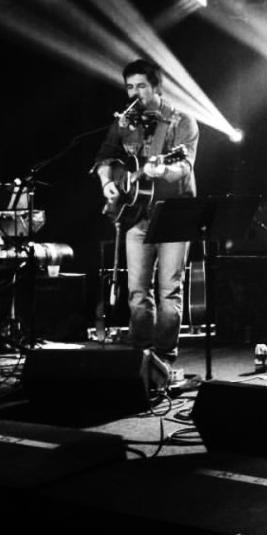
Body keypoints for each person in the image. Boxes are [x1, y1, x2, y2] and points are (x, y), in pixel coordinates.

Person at [93, 59, 199, 373]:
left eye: (141, 86)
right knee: (137, 291)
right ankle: (138, 358)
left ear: (156, 87)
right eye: (130, 87)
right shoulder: (125, 121)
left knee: (169, 290)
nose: (134, 93)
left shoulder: (182, 120)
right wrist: (108, 183)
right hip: (136, 215)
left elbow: (184, 166)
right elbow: (104, 158)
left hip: (174, 215)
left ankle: (164, 360)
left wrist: (162, 170)